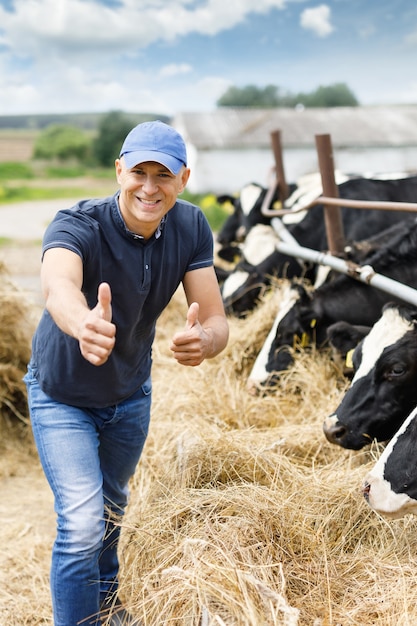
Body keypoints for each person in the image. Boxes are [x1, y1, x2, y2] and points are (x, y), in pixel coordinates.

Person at [24, 120, 229, 626]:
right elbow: (58, 287)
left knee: (111, 510)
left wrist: (204, 341)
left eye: (163, 175)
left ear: (183, 178)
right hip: (63, 396)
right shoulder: (77, 223)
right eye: (139, 171)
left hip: (130, 396)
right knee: (82, 522)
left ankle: (109, 607)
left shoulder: (191, 225)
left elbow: (217, 318)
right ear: (120, 170)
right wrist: (83, 324)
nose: (149, 187)